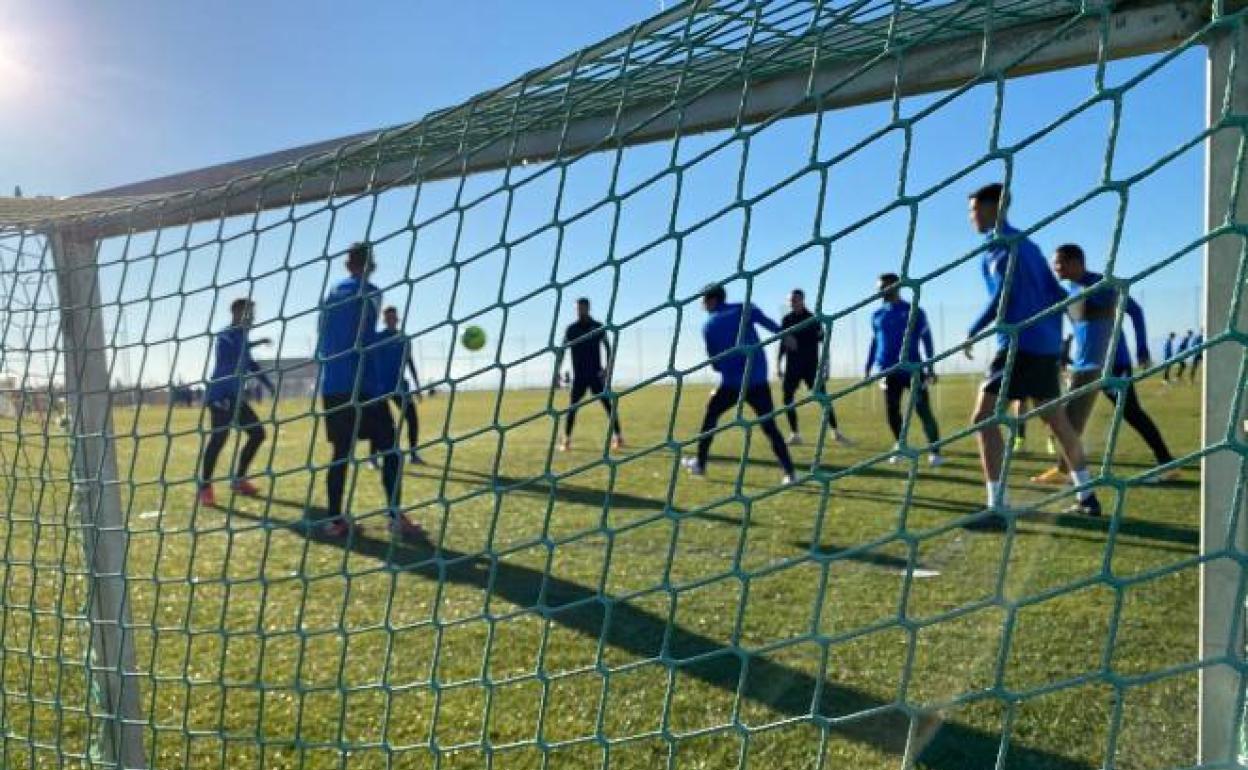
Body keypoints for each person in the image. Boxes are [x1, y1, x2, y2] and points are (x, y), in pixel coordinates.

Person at [963, 184, 1102, 528]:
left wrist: (973, 329)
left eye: (975, 209)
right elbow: (1057, 293)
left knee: (983, 418)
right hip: (1044, 347)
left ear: (995, 208)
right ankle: (1087, 495)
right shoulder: (1029, 245)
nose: (971, 216)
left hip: (1018, 343)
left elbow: (1004, 294)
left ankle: (997, 507)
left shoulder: (1000, 247)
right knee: (1057, 421)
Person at [1029, 245, 1179, 485]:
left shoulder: (1103, 285)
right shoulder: (1068, 291)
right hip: (1083, 367)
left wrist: (1142, 348)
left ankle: (1168, 465)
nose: (1055, 267)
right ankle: (1063, 470)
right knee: (1070, 420)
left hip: (1112, 364)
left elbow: (1135, 311)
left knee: (1131, 413)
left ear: (1076, 262)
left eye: (1059, 262)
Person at [317, 242, 422, 539]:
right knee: (391, 450)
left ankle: (335, 521)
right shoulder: (371, 292)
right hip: (360, 386)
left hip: (333, 384)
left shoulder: (330, 295)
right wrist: (387, 342)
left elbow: (325, 336)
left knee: (341, 453)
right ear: (371, 264)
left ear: (347, 264)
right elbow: (362, 338)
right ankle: (395, 516)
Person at [683, 285, 796, 483]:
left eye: (703, 300)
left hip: (732, 384)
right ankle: (790, 473)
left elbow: (715, 363)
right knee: (769, 427)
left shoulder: (708, 326)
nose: (702, 305)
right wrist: (785, 335)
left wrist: (726, 373)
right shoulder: (744, 308)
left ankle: (700, 464)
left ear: (712, 300)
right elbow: (768, 323)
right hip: (757, 381)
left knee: (711, 416)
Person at [197, 299, 275, 507]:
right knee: (219, 440)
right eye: (249, 313)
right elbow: (232, 352)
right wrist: (255, 343)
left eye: (253, 313)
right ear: (236, 313)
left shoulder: (241, 336)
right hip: (220, 396)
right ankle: (204, 487)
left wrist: (268, 384)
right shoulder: (225, 335)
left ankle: (239, 480)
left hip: (236, 397)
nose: (253, 317)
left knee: (257, 434)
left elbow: (250, 364)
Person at [863, 273, 943, 466]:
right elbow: (875, 342)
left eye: (883, 287)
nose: (880, 291)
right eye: (878, 288)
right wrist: (868, 368)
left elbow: (927, 339)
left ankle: (935, 451)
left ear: (896, 286)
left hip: (913, 370)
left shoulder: (914, 311)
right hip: (887, 372)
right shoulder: (876, 315)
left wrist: (930, 367)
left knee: (923, 410)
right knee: (892, 412)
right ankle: (901, 446)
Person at [777, 289, 852, 446]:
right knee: (787, 399)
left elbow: (824, 343)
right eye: (790, 300)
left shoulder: (813, 319)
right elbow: (783, 343)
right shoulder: (786, 320)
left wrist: (827, 367)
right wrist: (778, 364)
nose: (792, 303)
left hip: (811, 367)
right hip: (792, 367)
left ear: (802, 300)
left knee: (823, 398)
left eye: (795, 300)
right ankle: (795, 434)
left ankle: (836, 432)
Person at [557, 298, 623, 451]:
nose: (580, 311)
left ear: (588, 308)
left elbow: (608, 348)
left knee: (608, 406)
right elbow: (562, 350)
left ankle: (618, 437)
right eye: (578, 308)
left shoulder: (598, 327)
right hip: (579, 376)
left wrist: (607, 369)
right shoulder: (571, 329)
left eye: (582, 308)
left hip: (596, 375)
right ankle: (566, 440)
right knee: (572, 407)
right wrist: (557, 371)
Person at [373, 306, 424, 465]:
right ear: (384, 320)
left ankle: (413, 455)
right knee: (378, 424)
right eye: (388, 317)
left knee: (412, 419)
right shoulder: (377, 338)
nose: (391, 320)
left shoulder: (404, 339)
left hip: (400, 386)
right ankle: (373, 458)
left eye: (393, 317)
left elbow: (410, 362)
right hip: (379, 387)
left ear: (397, 319)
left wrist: (417, 386)